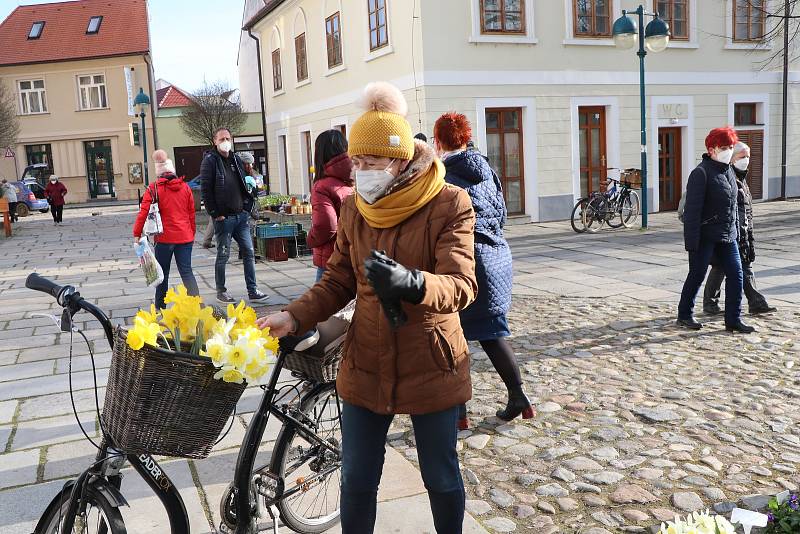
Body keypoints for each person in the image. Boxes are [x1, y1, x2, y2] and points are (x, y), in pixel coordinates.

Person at [256, 81, 477, 533]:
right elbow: (338, 280)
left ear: (398, 162)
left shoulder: (449, 202)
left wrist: (413, 283)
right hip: (367, 357)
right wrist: (293, 315)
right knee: (356, 479)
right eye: (356, 162)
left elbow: (462, 284)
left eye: (371, 163)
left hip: (430, 356)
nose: (361, 172)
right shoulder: (357, 208)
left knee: (439, 475)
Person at [434, 112, 534, 429]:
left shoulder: (445, 177)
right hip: (496, 256)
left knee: (455, 337)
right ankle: (518, 397)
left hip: (468, 260)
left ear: (438, 142)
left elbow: (442, 225)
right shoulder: (486, 169)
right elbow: (501, 214)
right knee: (491, 334)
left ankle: (459, 412)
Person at [677, 127, 754, 333]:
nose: (728, 151)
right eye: (724, 147)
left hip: (728, 236)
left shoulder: (729, 171)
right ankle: (684, 314)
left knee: (737, 275)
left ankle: (733, 319)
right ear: (711, 149)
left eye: (730, 147)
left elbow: (733, 207)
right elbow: (692, 212)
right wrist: (691, 243)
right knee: (697, 274)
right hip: (705, 237)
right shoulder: (700, 173)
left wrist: (737, 234)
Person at [703, 142, 776, 316]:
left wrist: (748, 233)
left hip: (741, 231)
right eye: (742, 157)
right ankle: (755, 302)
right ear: (732, 158)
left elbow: (746, 210)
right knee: (737, 266)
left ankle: (711, 303)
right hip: (729, 232)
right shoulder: (727, 178)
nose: (746, 160)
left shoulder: (741, 178)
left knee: (721, 267)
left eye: (748, 156)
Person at [200, 127, 270, 305]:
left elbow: (243, 183)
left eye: (228, 138)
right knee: (223, 254)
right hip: (224, 219)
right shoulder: (210, 161)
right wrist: (215, 214)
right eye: (222, 138)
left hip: (241, 217)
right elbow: (206, 190)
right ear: (215, 141)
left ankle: (252, 290)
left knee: (249, 251)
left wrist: (247, 206)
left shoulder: (235, 159)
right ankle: (221, 291)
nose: (225, 141)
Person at [133, 150, 200, 310]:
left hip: (164, 239)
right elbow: (192, 213)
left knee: (162, 274)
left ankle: (160, 307)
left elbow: (143, 212)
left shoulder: (153, 188)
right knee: (186, 271)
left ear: (159, 173)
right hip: (185, 237)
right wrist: (191, 232)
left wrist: (137, 233)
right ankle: (196, 305)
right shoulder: (185, 188)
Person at [306, 129, 353, 282]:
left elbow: (326, 226)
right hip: (352, 254)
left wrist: (310, 239)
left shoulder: (322, 186)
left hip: (330, 257)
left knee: (322, 303)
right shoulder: (353, 178)